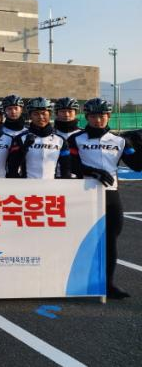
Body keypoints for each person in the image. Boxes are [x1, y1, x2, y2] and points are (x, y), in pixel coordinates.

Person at [68, 98, 142, 299]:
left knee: (110, 240)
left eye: (102, 116)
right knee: (80, 240)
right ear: (87, 117)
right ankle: (76, 281)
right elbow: (71, 165)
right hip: (83, 194)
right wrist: (92, 171)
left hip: (110, 194)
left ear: (108, 116)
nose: (98, 120)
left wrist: (137, 146)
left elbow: (136, 166)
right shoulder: (76, 139)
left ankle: (108, 284)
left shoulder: (119, 140)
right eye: (93, 116)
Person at [6, 98, 71, 179]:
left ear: (50, 114)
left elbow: (66, 168)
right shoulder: (20, 138)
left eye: (44, 113)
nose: (40, 117)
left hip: (51, 185)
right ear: (30, 116)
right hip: (26, 184)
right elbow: (12, 166)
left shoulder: (60, 140)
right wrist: (23, 149)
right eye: (36, 114)